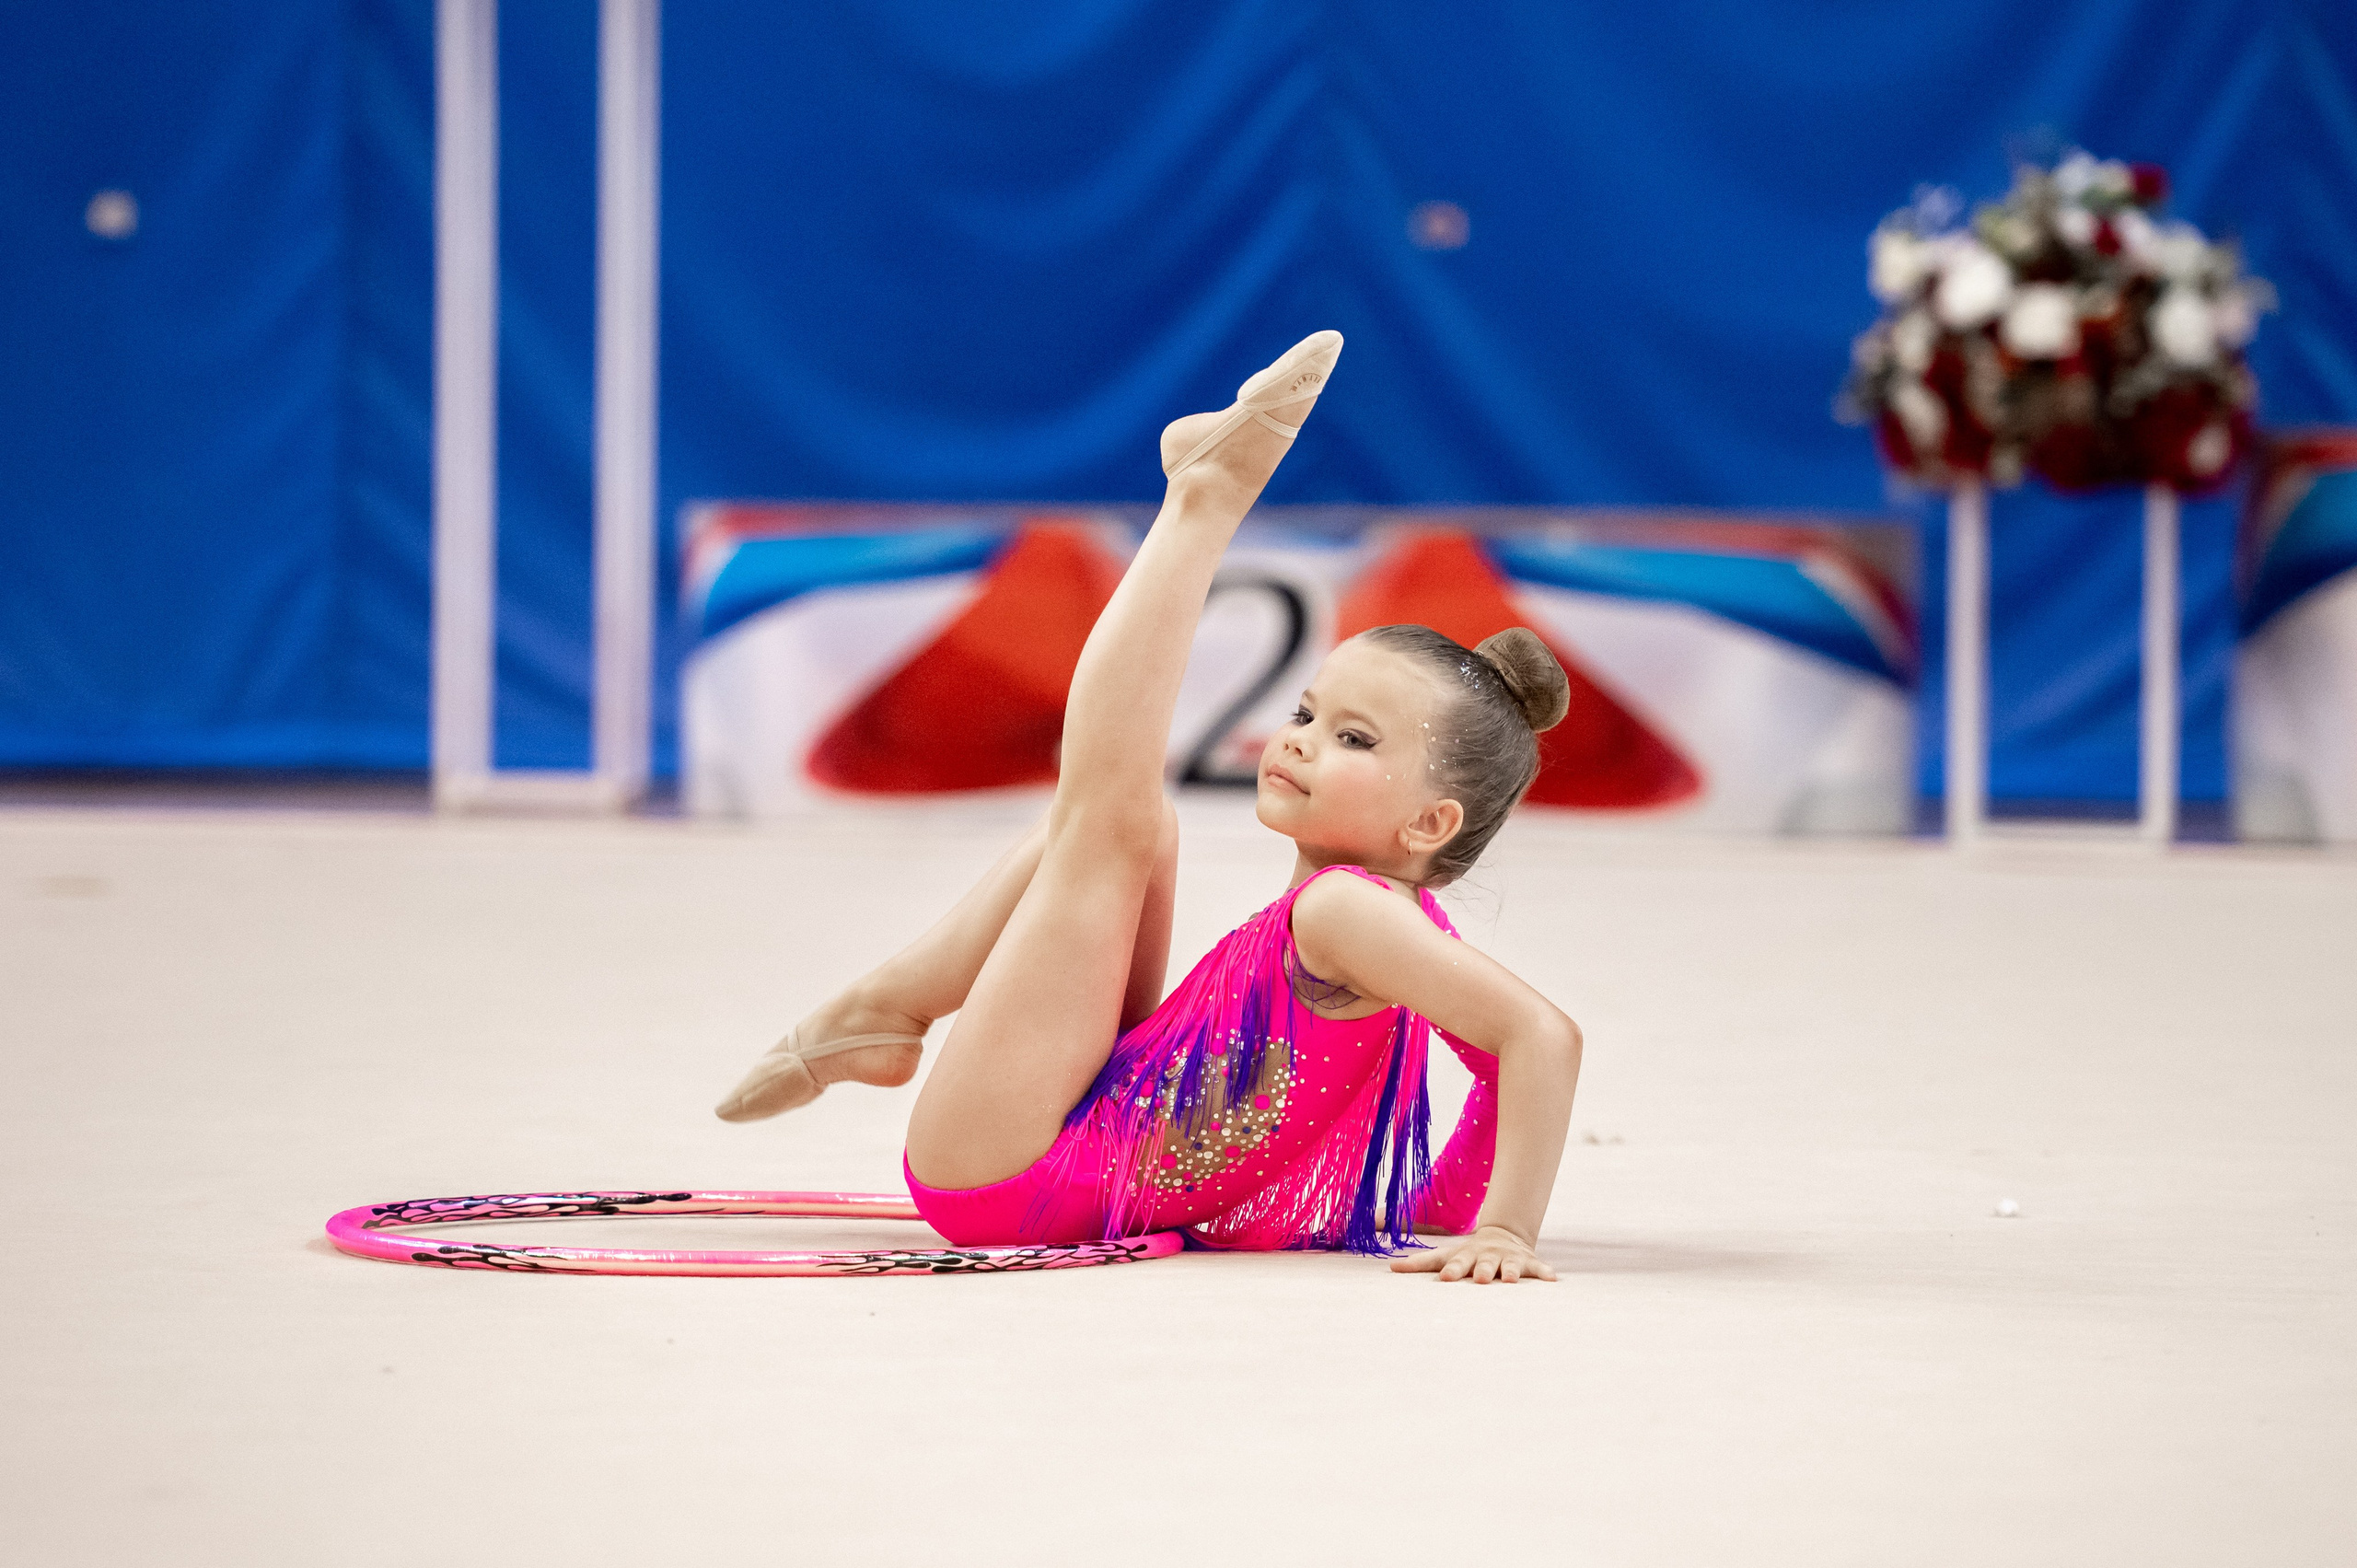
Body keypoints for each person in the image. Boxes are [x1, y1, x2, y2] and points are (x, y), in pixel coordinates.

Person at [714, 331, 1584, 1284]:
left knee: (1113, 815)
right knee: (1136, 826)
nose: (1297, 737)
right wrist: (1451, 1206)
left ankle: (1203, 502)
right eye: (1305, 711)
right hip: (1083, 1125)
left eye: (1354, 739)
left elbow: (1541, 1036)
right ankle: (884, 1008)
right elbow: (1512, 1064)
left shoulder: (1344, 909)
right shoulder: (1395, 923)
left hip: (1012, 1174)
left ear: (1430, 824)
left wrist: (1506, 1229)